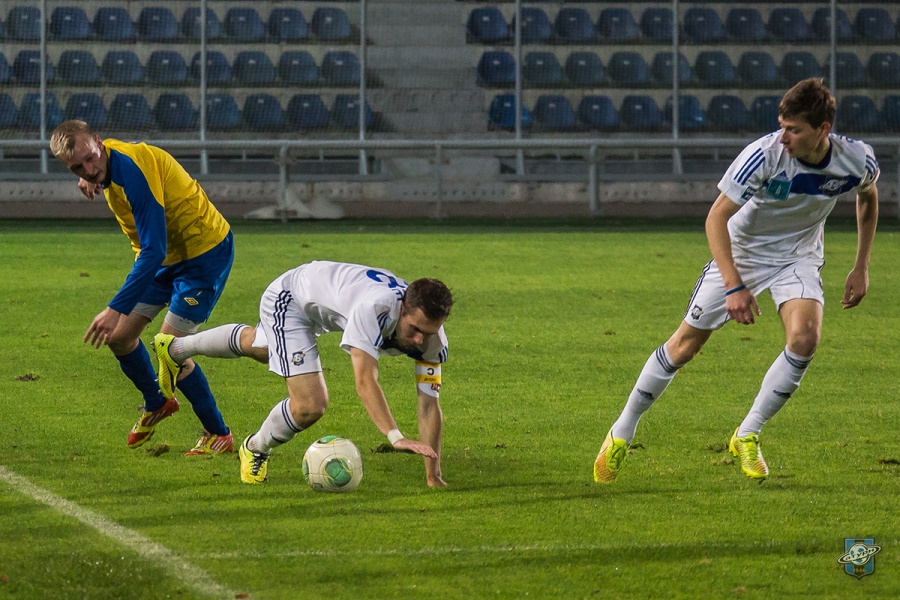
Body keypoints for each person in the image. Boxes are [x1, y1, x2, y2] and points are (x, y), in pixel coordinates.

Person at [594, 78, 879, 483]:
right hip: (741, 253)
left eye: (794, 129)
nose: (784, 136)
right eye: (782, 126)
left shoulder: (856, 159)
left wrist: (861, 266)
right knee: (684, 347)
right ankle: (621, 432)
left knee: (805, 339)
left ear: (823, 130)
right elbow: (716, 218)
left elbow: (868, 197)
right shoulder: (763, 155)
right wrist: (734, 286)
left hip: (798, 257)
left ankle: (747, 433)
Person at [153, 260, 453, 487]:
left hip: (319, 301)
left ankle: (175, 348)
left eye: (427, 333)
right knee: (310, 404)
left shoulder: (432, 342)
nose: (419, 341)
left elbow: (429, 405)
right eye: (414, 329)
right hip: (291, 297)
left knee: (263, 348)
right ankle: (255, 448)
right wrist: (395, 436)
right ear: (402, 308)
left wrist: (433, 474)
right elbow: (365, 381)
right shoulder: (374, 309)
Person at [50, 120, 235, 455]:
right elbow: (154, 252)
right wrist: (93, 174)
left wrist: (116, 308)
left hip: (203, 254)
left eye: (90, 159)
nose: (88, 169)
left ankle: (218, 433)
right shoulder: (105, 161)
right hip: (165, 260)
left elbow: (153, 249)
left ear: (98, 142)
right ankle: (157, 402)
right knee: (119, 337)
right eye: (77, 167)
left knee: (170, 350)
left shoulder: (133, 172)